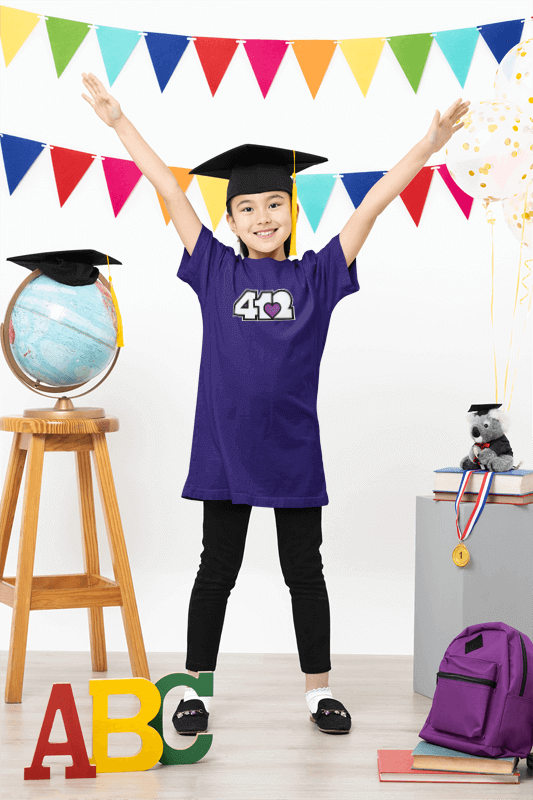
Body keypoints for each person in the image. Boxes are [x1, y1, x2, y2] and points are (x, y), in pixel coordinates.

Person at [81, 71, 469, 736]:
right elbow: (169, 190)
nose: (262, 217)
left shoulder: (317, 274)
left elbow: (370, 205)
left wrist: (426, 144)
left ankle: (317, 692)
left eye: (274, 205)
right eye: (247, 208)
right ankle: (195, 686)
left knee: (303, 570)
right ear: (230, 220)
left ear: (292, 212)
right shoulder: (214, 269)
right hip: (225, 448)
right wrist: (119, 122)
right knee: (216, 569)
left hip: (291, 450)